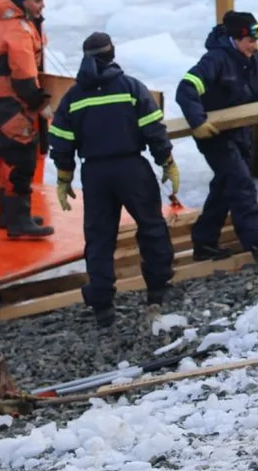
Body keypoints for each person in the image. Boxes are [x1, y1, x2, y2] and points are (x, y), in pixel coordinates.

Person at [50, 32, 179, 329]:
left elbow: (61, 139)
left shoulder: (73, 97)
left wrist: (64, 176)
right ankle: (157, 290)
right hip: (131, 167)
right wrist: (166, 162)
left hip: (94, 174)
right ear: (112, 54)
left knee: (99, 239)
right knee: (151, 227)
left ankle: (103, 306)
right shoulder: (130, 87)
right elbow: (153, 129)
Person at [176, 10, 258, 264]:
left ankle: (204, 242)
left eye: (256, 41)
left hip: (241, 130)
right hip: (214, 134)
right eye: (249, 41)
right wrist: (198, 122)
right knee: (241, 183)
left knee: (225, 186)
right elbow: (185, 89)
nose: (254, 46)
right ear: (236, 38)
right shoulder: (215, 60)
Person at [0, 0, 55, 239]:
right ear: (22, 0)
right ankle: (18, 221)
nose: (42, 5)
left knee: (10, 157)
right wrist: (43, 105)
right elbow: (23, 80)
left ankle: (8, 215)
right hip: (6, 103)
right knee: (22, 158)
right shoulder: (17, 30)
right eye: (37, 0)